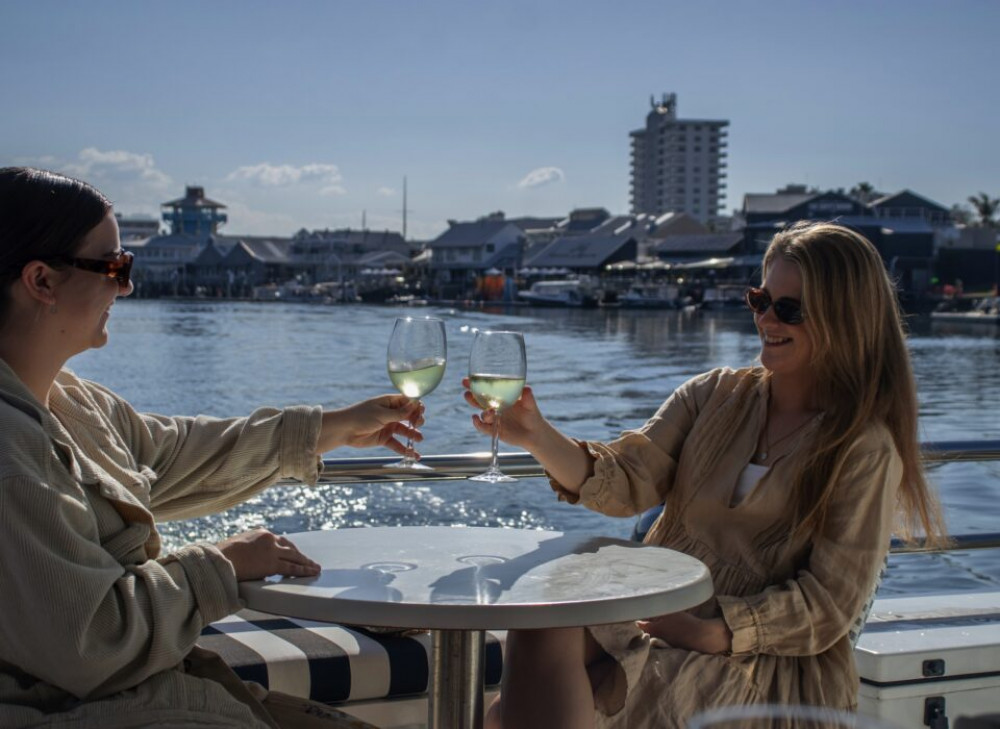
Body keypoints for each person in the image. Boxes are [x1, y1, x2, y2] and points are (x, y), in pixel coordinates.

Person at [463, 221, 948, 729]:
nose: (766, 319)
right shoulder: (713, 395)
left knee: (515, 712)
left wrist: (713, 632)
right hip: (661, 606)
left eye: (789, 309)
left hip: (766, 660)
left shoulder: (863, 448)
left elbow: (829, 605)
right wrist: (536, 435)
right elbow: (628, 481)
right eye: (761, 299)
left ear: (846, 320)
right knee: (541, 621)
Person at [0, 166, 424, 728]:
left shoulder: (73, 403)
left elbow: (179, 453)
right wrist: (221, 563)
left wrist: (335, 426)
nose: (126, 286)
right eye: (114, 266)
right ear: (42, 281)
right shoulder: (11, 452)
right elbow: (92, 644)